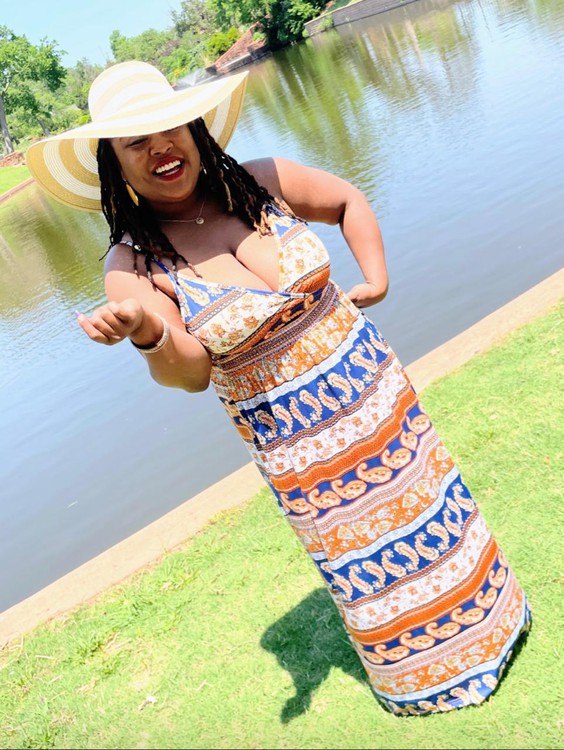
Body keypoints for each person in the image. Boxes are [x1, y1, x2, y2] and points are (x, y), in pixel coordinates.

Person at [27, 61, 530, 716]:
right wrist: (147, 331)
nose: (160, 148)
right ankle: (428, 680)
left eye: (169, 126)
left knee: (434, 512)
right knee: (367, 557)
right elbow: (190, 373)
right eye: (135, 141)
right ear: (114, 163)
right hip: (297, 441)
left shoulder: (259, 181)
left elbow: (347, 201)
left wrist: (375, 278)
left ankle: (498, 622)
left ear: (194, 128)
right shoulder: (133, 267)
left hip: (375, 391)